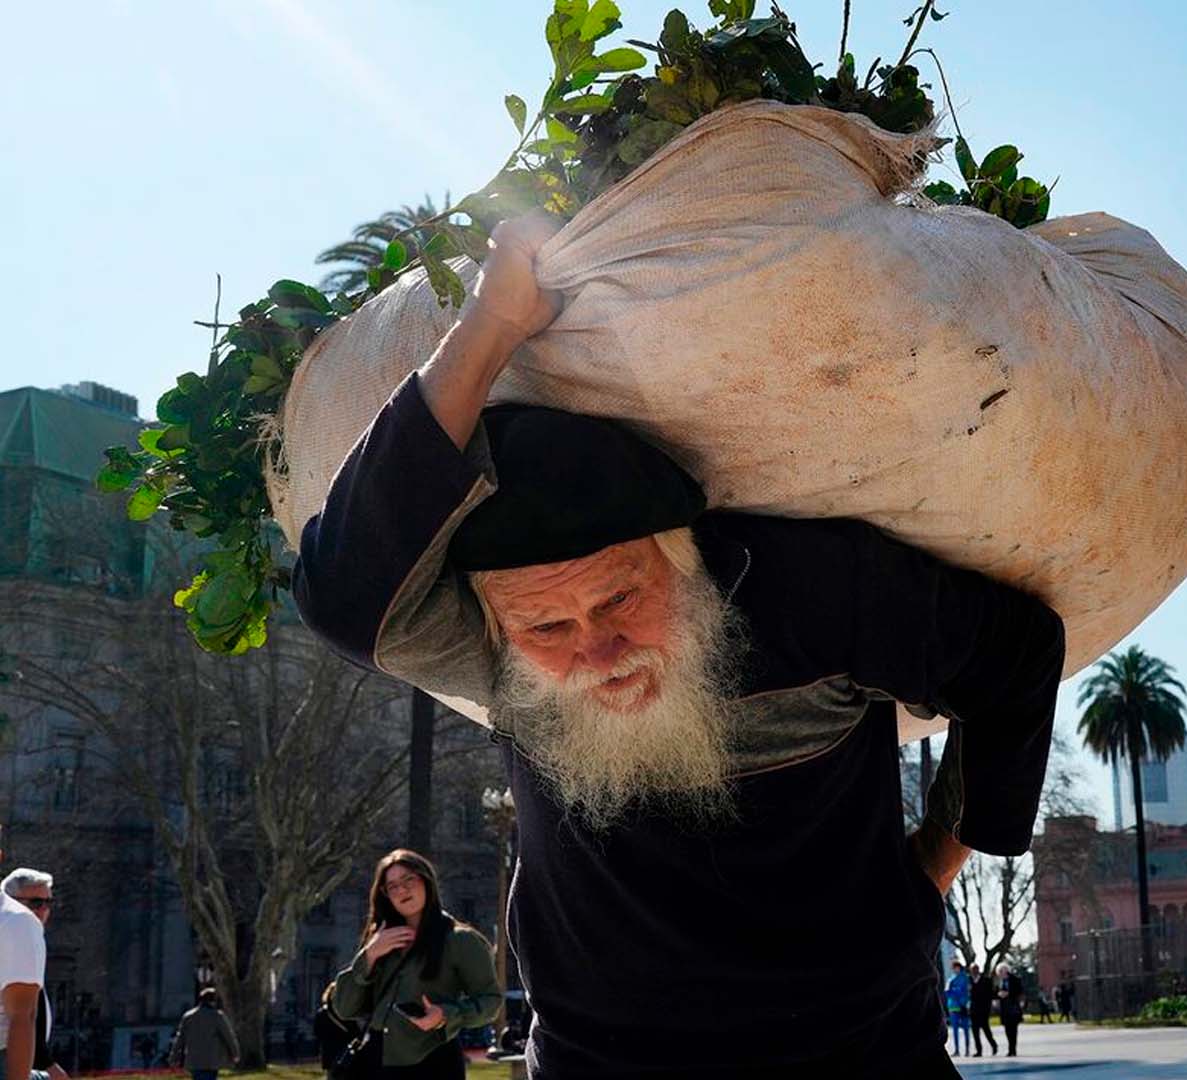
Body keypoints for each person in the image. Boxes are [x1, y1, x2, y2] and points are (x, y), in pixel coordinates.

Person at [293, 214, 1066, 1079]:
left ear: (687, 559)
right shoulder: (492, 653)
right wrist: (492, 326)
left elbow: (1016, 654)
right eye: (548, 627)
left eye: (621, 596)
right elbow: (341, 590)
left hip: (868, 1053)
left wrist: (935, 866)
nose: (598, 648)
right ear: (502, 628)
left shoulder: (816, 594)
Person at [327, 850, 503, 1077]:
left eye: (409, 879)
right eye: (392, 886)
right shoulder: (380, 939)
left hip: (432, 1061)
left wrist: (445, 1015)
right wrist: (369, 956)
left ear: (426, 880)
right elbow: (345, 1008)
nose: (402, 890)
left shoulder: (461, 940)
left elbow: (491, 1002)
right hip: (376, 1060)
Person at [0, 865, 52, 1080]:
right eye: (36, 903)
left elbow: (24, 1016)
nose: (42, 910)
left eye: (47, 903)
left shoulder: (17, 922)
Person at [168, 989, 240, 1080]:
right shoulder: (217, 1016)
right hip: (211, 1059)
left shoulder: (188, 1016)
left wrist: (173, 1056)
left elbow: (180, 1038)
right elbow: (228, 1036)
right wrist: (235, 1053)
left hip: (194, 1059)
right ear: (213, 1001)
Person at [995, 963, 1025, 1058]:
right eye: (999, 972)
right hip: (1004, 1008)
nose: (1000, 974)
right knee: (1007, 1029)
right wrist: (998, 995)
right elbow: (995, 992)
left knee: (1013, 1029)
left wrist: (1008, 993)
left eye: (1001, 971)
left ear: (1006, 970)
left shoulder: (1015, 979)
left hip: (1013, 1007)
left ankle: (1013, 1049)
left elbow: (1019, 991)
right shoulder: (999, 981)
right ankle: (1010, 1048)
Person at [966, 963, 996, 1056]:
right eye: (972, 970)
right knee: (975, 1031)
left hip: (983, 1009)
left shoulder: (986, 980)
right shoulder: (968, 980)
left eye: (975, 969)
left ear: (978, 970)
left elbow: (991, 994)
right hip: (973, 1009)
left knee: (986, 1029)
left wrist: (989, 1007)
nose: (974, 971)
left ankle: (993, 1045)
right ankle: (979, 1051)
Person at [943, 963, 971, 1057]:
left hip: (962, 1006)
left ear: (960, 968)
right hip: (953, 1006)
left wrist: (962, 1001)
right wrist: (956, 991)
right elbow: (947, 992)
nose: (955, 969)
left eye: (957, 967)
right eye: (954, 968)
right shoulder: (950, 978)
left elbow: (966, 992)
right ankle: (956, 1050)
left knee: (966, 1028)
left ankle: (967, 1049)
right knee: (954, 1029)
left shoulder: (965, 978)